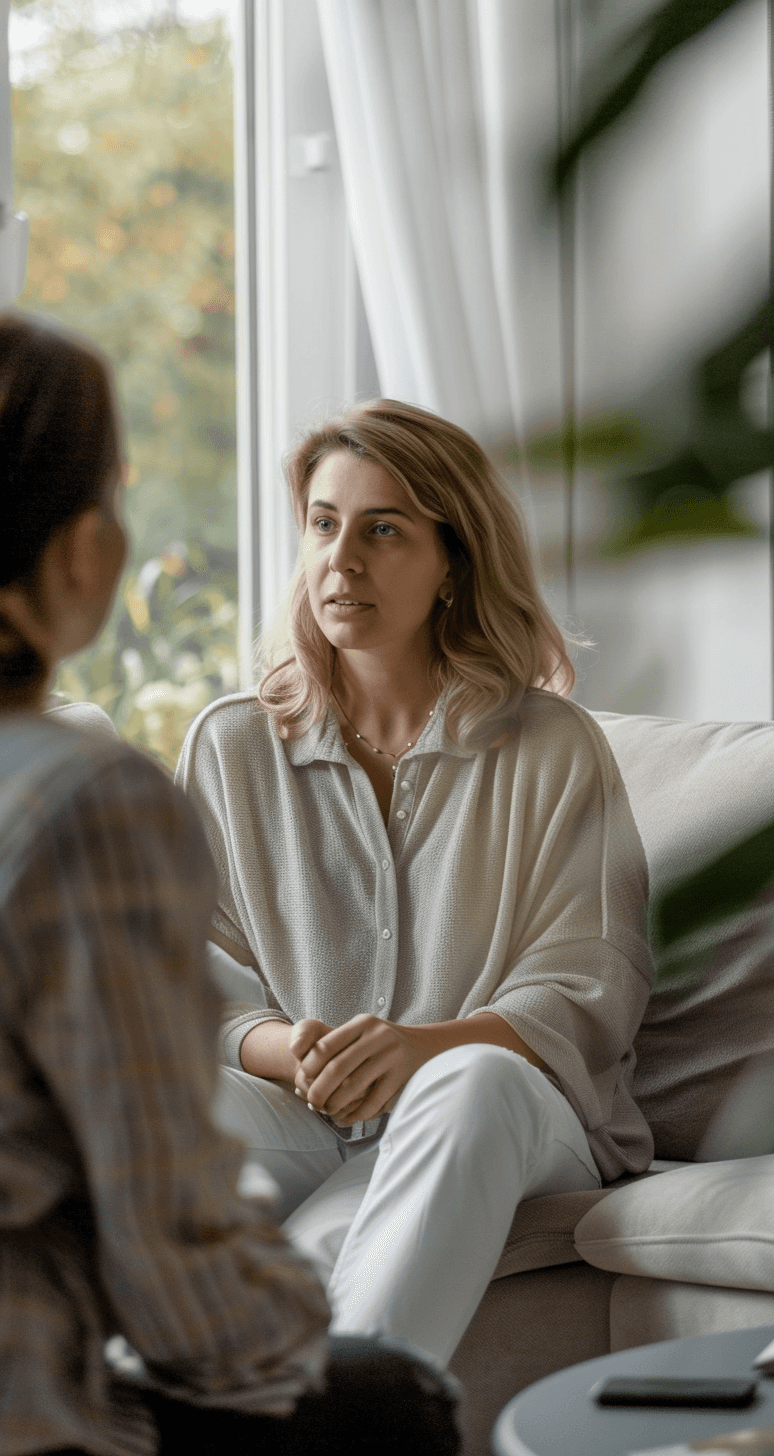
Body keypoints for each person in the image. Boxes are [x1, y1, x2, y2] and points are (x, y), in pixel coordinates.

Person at [0, 315, 460, 1456]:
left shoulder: (545, 751)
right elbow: (172, 1245)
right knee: (390, 1401)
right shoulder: (80, 798)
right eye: (110, 495)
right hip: (32, 1408)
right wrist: (307, 1333)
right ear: (77, 549)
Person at [176, 397, 655, 1367]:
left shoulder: (551, 746)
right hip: (309, 1114)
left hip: (518, 1113)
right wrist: (292, 1049)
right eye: (323, 524)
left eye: (383, 529)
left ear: (453, 560)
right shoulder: (233, 743)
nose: (340, 562)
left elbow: (592, 986)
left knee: (469, 1079)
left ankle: (353, 1421)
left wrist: (422, 1047)